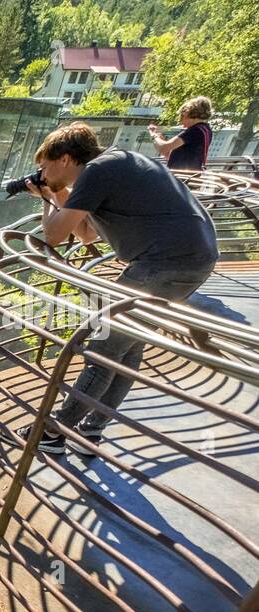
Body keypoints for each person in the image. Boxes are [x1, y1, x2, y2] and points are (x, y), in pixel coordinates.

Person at [19, 122, 218, 456]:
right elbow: (86, 236)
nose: (42, 171)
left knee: (102, 349)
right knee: (128, 348)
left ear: (65, 159)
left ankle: (53, 433)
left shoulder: (97, 172)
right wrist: (57, 194)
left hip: (164, 262)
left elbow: (53, 236)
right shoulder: (114, 163)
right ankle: (91, 430)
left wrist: (47, 196)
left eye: (45, 165)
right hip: (194, 257)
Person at [147, 97, 213, 171]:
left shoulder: (194, 131)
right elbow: (170, 154)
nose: (182, 123)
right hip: (190, 175)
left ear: (189, 113)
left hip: (181, 177)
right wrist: (162, 141)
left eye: (182, 116)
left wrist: (153, 135)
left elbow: (163, 148)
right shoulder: (206, 130)